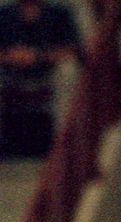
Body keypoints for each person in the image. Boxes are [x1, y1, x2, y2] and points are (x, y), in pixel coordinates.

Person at [0, 0, 82, 159]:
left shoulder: (60, 13)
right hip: (10, 74)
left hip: (49, 74)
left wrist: (38, 56)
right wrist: (11, 56)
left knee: (68, 71)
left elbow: (72, 50)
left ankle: (64, 147)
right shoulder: (3, 14)